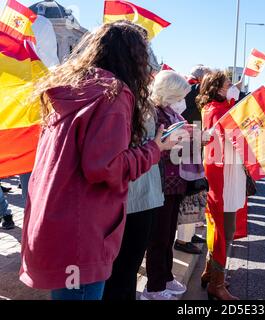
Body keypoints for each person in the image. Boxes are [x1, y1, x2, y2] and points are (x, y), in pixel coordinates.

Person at [20, 21, 179, 301]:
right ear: (133, 58)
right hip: (83, 229)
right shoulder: (113, 93)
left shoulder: (71, 86)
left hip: (56, 220)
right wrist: (154, 148)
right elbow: (105, 167)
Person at [102, 82, 168, 299]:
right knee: (122, 270)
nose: (151, 74)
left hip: (145, 191)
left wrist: (160, 144)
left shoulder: (136, 95)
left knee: (128, 268)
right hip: (131, 195)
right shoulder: (117, 96)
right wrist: (156, 146)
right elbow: (113, 159)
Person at [140, 71, 192, 301]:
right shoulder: (152, 112)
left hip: (174, 181)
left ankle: (166, 276)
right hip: (160, 182)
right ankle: (154, 287)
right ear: (169, 93)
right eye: (179, 95)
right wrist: (176, 141)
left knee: (168, 235)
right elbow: (152, 146)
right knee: (158, 237)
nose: (183, 101)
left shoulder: (169, 111)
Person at [197, 71, 247, 300]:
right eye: (228, 84)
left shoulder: (213, 109)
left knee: (218, 227)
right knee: (224, 231)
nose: (231, 87)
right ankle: (217, 283)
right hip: (224, 175)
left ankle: (211, 272)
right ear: (218, 88)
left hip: (224, 172)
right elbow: (237, 138)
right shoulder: (219, 112)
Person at [173, 65, 212, 255]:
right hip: (184, 147)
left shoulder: (192, 89)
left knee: (194, 191)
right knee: (189, 192)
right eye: (208, 78)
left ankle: (189, 233)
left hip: (192, 143)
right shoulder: (190, 88)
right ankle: (182, 238)